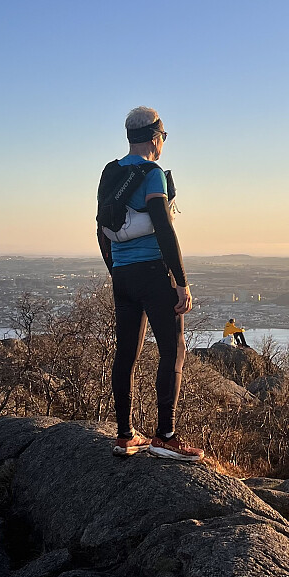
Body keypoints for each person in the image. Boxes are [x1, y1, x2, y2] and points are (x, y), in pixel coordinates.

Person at [97, 106, 203, 462]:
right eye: (164, 137)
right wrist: (182, 283)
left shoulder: (110, 172)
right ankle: (165, 437)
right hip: (154, 274)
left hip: (123, 276)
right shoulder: (153, 174)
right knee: (173, 351)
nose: (163, 144)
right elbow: (163, 226)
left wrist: (117, 271)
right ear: (155, 138)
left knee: (126, 353)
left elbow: (101, 228)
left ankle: (125, 436)